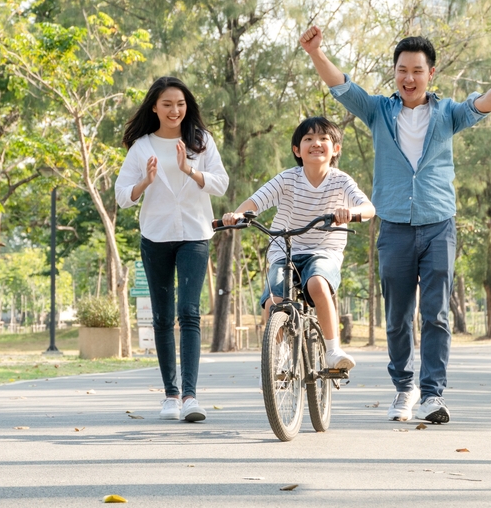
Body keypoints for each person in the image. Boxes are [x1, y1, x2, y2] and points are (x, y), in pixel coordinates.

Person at [299, 25, 491, 423]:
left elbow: (484, 104)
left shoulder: (448, 113)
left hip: (438, 224)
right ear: (394, 73)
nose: (409, 78)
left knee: (436, 313)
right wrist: (316, 53)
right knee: (397, 316)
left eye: (417, 71)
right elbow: (341, 85)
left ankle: (432, 395)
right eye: (402, 70)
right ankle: (404, 388)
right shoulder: (378, 110)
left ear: (431, 73)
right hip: (394, 226)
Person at [115, 77, 229, 422]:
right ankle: (171, 396)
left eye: (180, 104)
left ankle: (191, 396)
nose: (174, 110)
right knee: (162, 317)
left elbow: (221, 184)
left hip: (194, 234)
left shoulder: (201, 141)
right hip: (156, 235)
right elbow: (122, 196)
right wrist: (145, 182)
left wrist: (189, 170)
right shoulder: (141, 147)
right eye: (167, 104)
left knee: (189, 311)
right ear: (154, 107)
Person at [221, 117, 375, 370]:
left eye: (324, 138)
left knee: (317, 284)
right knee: (274, 301)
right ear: (297, 150)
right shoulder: (287, 179)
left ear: (335, 149)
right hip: (285, 249)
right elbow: (255, 202)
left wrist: (351, 212)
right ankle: (279, 357)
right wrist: (237, 215)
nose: (316, 143)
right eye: (308, 139)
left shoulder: (341, 181)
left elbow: (368, 208)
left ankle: (333, 350)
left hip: (324, 251)